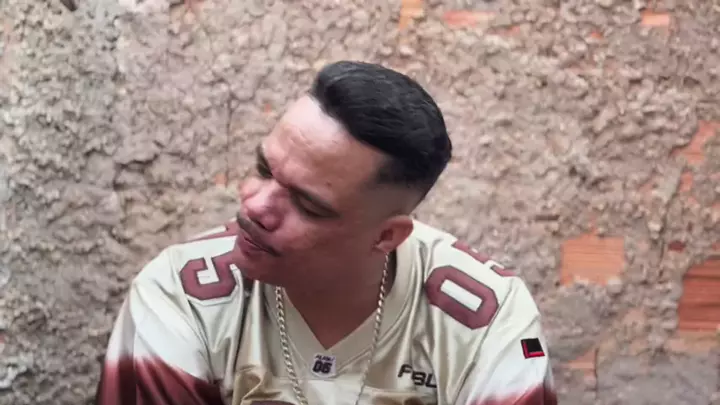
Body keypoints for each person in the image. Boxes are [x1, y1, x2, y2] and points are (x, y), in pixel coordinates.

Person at [95, 61, 557, 405]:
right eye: (263, 169)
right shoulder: (179, 296)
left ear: (386, 237)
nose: (255, 206)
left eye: (306, 204)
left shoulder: (490, 322)